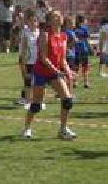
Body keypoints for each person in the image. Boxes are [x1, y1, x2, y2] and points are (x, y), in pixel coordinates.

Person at [22, 10, 77, 141]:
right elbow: (43, 58)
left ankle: (63, 129)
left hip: (54, 73)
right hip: (41, 72)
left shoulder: (63, 36)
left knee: (67, 100)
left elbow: (62, 59)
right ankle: (27, 128)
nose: (58, 18)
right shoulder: (45, 35)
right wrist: (56, 70)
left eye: (59, 16)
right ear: (49, 21)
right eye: (55, 17)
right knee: (36, 105)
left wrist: (68, 71)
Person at [17, 9, 39, 107]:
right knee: (26, 79)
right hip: (25, 58)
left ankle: (30, 99)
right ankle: (26, 98)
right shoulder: (25, 30)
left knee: (34, 81)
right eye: (31, 21)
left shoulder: (39, 32)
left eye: (35, 21)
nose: (33, 23)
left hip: (36, 60)